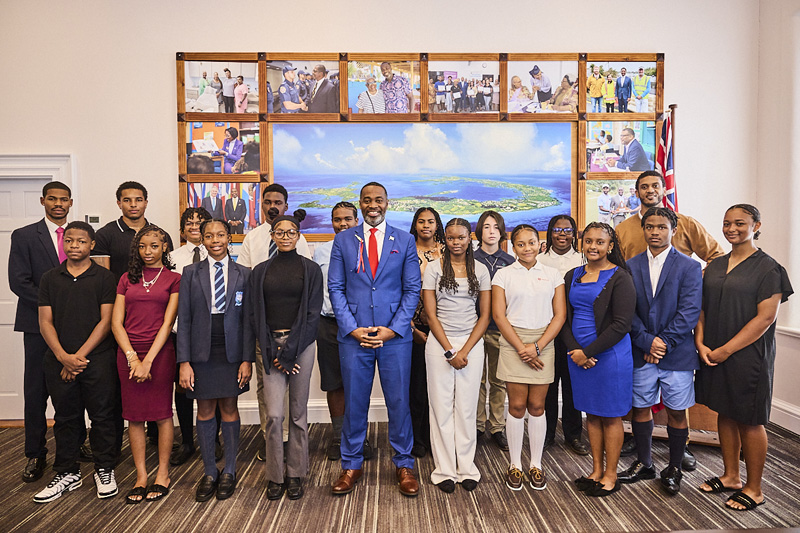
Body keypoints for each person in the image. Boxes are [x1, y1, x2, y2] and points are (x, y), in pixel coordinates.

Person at [695, 204, 792, 511]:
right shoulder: (715, 265)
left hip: (748, 356)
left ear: (756, 226)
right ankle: (731, 476)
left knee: (750, 420)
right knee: (724, 411)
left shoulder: (770, 269)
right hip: (712, 352)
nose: (731, 228)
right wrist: (700, 343)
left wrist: (726, 350)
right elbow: (701, 308)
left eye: (739, 223)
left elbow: (765, 319)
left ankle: (755, 488)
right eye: (727, 223)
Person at [328, 182, 422, 497]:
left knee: (398, 402)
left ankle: (404, 464)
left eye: (378, 200)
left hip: (394, 337)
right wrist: (352, 328)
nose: (373, 205)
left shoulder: (405, 240)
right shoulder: (343, 240)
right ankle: (351, 464)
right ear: (360, 203)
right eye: (367, 200)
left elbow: (412, 289)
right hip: (354, 337)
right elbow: (335, 288)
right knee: (355, 403)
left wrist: (394, 329)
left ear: (387, 202)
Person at [619, 207, 702, 496]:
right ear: (643, 230)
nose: (655, 232)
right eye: (650, 227)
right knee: (641, 408)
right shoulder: (630, 266)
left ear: (673, 230)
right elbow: (627, 311)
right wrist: (646, 342)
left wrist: (662, 343)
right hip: (641, 352)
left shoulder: (689, 267)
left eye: (662, 227)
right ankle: (645, 463)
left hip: (676, 354)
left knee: (677, 412)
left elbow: (690, 311)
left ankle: (674, 467)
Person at [33, 222, 118, 503]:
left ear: (91, 245)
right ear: (63, 243)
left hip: (98, 359)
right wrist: (63, 357)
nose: (74, 246)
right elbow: (45, 322)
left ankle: (104, 469)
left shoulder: (105, 278)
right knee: (65, 417)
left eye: (81, 241)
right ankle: (67, 472)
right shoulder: (50, 278)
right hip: (59, 360)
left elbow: (106, 322)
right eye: (69, 240)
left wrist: (78, 357)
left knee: (102, 416)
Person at [245, 213, 323, 501]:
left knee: (298, 414)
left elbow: (312, 315)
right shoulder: (260, 271)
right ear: (272, 236)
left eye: (291, 232)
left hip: (301, 346)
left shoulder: (311, 269)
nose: (286, 236)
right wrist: (272, 350)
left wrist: (290, 352)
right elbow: (254, 314)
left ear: (298, 236)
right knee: (275, 416)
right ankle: (275, 475)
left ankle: (295, 473)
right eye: (280, 232)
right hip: (269, 347)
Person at [178, 219, 252, 502]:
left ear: (229, 237)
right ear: (202, 239)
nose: (215, 240)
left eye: (220, 234)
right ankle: (210, 471)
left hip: (232, 352)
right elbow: (184, 319)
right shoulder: (190, 272)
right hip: (201, 352)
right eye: (209, 236)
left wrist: (247, 359)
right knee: (205, 408)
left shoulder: (244, 273)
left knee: (229, 407)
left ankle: (230, 470)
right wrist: (184, 361)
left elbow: (248, 322)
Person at [237, 183, 311, 462]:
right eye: (267, 202)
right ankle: (271, 438)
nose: (272, 206)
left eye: (277, 202)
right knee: (264, 386)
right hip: (263, 327)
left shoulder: (299, 239)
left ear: (285, 206)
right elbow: (245, 279)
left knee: (294, 388)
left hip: (294, 328)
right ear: (262, 205)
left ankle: (290, 440)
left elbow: (305, 284)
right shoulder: (252, 238)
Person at [561, 222, 636, 497]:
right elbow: (563, 318)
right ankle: (595, 470)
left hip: (610, 356)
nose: (593, 246)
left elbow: (621, 325)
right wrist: (576, 351)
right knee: (591, 414)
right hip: (578, 357)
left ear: (610, 246)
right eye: (589, 241)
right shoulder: (572, 275)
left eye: (600, 242)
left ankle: (611, 474)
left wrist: (588, 352)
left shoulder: (621, 277)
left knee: (611, 416)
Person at [9, 181, 75, 483]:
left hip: (74, 327)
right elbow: (19, 282)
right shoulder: (24, 236)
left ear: (70, 202)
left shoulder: (79, 235)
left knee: (74, 390)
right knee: (36, 392)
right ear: (42, 201)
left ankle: (75, 444)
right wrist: (53, 307)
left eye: (63, 199)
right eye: (52, 199)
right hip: (37, 326)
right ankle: (35, 453)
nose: (58, 204)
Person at [492, 224, 566, 491]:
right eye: (520, 244)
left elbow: (559, 315)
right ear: (513, 247)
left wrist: (537, 347)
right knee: (516, 406)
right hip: (513, 341)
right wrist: (522, 348)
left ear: (540, 244)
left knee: (537, 406)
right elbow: (499, 315)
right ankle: (515, 464)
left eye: (531, 243)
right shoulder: (503, 274)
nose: (527, 248)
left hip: (543, 342)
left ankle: (536, 464)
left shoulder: (553, 274)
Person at [111, 225, 180, 503]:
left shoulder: (174, 279)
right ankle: (141, 476)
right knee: (135, 416)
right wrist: (133, 358)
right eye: (142, 246)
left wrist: (147, 361)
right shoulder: (126, 278)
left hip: (160, 354)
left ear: (164, 247)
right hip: (128, 353)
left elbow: (168, 323)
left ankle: (162, 473)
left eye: (153, 245)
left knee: (162, 414)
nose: (147, 251)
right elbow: (116, 323)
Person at [423, 218, 491, 493]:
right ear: (445, 239)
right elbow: (430, 315)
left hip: (471, 343)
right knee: (440, 407)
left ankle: (466, 468)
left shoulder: (481, 270)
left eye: (461, 237)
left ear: (469, 239)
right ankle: (444, 470)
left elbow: (484, 316)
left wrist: (464, 350)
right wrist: (450, 350)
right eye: (450, 238)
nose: (455, 242)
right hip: (440, 343)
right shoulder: (434, 268)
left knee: (466, 407)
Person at [313, 202, 367, 461]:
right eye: (337, 219)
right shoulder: (321, 252)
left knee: (359, 383)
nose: (343, 224)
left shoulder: (368, 250)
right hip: (329, 325)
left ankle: (359, 437)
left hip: (360, 325)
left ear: (357, 221)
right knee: (334, 383)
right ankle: (338, 437)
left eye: (347, 219)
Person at [167, 207, 217, 467]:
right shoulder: (172, 257)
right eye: (189, 222)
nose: (195, 226)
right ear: (182, 228)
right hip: (180, 331)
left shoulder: (218, 254)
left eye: (200, 222)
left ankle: (214, 440)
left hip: (211, 332)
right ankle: (187, 441)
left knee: (214, 385)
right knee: (182, 386)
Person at [537, 215, 589, 456]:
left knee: (572, 384)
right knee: (547, 383)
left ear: (574, 234)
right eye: (557, 230)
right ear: (550, 233)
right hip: (546, 330)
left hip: (574, 331)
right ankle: (546, 433)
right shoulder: (539, 260)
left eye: (567, 230)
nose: (562, 235)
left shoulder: (583, 259)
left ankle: (573, 434)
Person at [615, 171, 725, 262]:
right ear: (637, 193)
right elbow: (616, 267)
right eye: (644, 187)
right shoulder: (622, 229)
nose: (650, 190)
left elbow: (717, 256)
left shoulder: (686, 223)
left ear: (664, 190)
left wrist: (697, 277)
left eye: (655, 186)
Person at [473, 211, 515, 451]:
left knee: (498, 381)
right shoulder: (470, 259)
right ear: (479, 231)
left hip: (501, 330)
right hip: (475, 329)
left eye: (495, 227)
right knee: (476, 380)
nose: (491, 231)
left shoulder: (510, 261)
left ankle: (497, 426)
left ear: (501, 231)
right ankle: (478, 425)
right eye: (486, 227)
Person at [409, 207, 446, 458]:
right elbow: (399, 289)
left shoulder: (447, 250)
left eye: (430, 221)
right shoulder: (406, 250)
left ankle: (438, 439)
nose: (426, 226)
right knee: (417, 386)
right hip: (414, 327)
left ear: (437, 224)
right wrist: (411, 328)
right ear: (415, 224)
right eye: (421, 221)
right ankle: (418, 439)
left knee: (440, 387)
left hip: (444, 327)